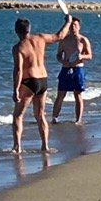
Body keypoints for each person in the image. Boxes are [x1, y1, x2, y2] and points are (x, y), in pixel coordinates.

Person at [11, 11, 74, 153]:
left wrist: (15, 89)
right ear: (29, 28)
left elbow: (18, 70)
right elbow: (59, 36)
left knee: (18, 115)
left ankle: (17, 147)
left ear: (16, 31)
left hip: (29, 81)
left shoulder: (18, 47)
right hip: (43, 80)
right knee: (40, 115)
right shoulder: (40, 38)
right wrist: (68, 22)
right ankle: (45, 146)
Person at [51, 17, 94, 124]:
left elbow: (89, 56)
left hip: (78, 69)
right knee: (61, 94)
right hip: (65, 69)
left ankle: (78, 119)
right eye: (71, 25)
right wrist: (62, 61)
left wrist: (81, 56)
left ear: (79, 27)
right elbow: (58, 55)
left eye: (75, 25)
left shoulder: (83, 40)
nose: (73, 27)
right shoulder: (64, 40)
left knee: (77, 94)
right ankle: (54, 117)